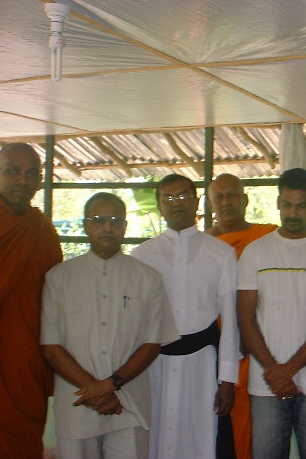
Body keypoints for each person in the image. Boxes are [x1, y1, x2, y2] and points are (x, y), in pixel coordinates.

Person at [40, 192, 178, 459]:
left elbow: (153, 344)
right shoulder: (59, 278)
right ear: (85, 225)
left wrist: (111, 385)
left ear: (125, 226)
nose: (107, 227)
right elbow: (51, 347)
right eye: (98, 220)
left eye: (115, 220)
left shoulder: (148, 278)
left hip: (130, 405)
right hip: (76, 404)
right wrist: (97, 390)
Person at [237, 168, 306, 459]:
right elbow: (245, 318)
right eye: (287, 204)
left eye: (301, 206)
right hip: (266, 385)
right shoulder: (255, 252)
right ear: (278, 202)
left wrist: (287, 370)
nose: (293, 212)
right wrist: (274, 371)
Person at [131, 173, 239, 459]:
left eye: (183, 197)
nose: (176, 204)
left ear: (196, 202)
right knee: (153, 438)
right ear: (159, 205)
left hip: (202, 365)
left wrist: (227, 380)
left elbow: (231, 321)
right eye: (168, 198)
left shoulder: (222, 253)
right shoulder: (142, 255)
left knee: (201, 438)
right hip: (154, 364)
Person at [0, 143, 62, 459]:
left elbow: (56, 299)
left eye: (32, 174)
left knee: (21, 440)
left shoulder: (42, 230)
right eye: (13, 171)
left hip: (24, 360)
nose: (23, 181)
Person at [207, 173, 277, 459]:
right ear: (211, 204)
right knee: (219, 425)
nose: (226, 202)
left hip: (259, 345)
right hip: (215, 347)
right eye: (219, 197)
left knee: (256, 427)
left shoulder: (268, 237)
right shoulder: (203, 245)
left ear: (245, 200)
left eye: (232, 195)